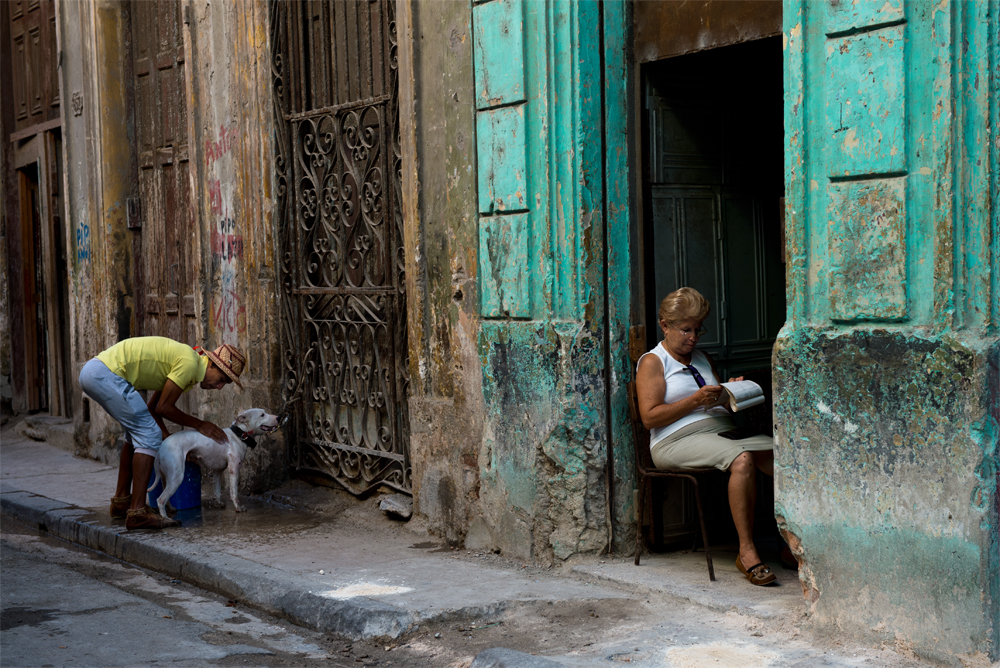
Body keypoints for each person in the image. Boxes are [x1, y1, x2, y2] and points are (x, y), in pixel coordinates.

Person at [635, 287, 778, 586]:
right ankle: (747, 552)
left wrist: (732, 392)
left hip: (721, 430)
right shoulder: (653, 361)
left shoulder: (702, 357)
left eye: (698, 329)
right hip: (675, 440)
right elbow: (649, 418)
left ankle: (793, 543)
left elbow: (717, 404)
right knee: (742, 459)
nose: (693, 337)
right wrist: (695, 401)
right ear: (665, 325)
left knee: (784, 459)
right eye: (686, 330)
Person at [78, 337, 245, 530]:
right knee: (148, 434)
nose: (219, 387)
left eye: (225, 384)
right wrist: (200, 425)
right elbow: (165, 408)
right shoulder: (189, 363)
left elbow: (153, 409)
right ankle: (138, 513)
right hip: (104, 374)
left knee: (136, 434)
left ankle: (122, 502)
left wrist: (172, 443)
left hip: (95, 373)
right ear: (212, 364)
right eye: (222, 380)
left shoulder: (188, 362)